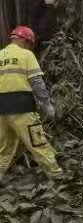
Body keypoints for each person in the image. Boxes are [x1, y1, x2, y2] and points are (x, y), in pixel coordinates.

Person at [0, 26, 62, 182]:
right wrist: (46, 104)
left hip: (1, 109)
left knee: (4, 148)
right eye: (29, 44)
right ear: (25, 40)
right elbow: (37, 82)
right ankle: (56, 175)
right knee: (38, 142)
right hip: (22, 107)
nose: (29, 47)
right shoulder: (26, 55)